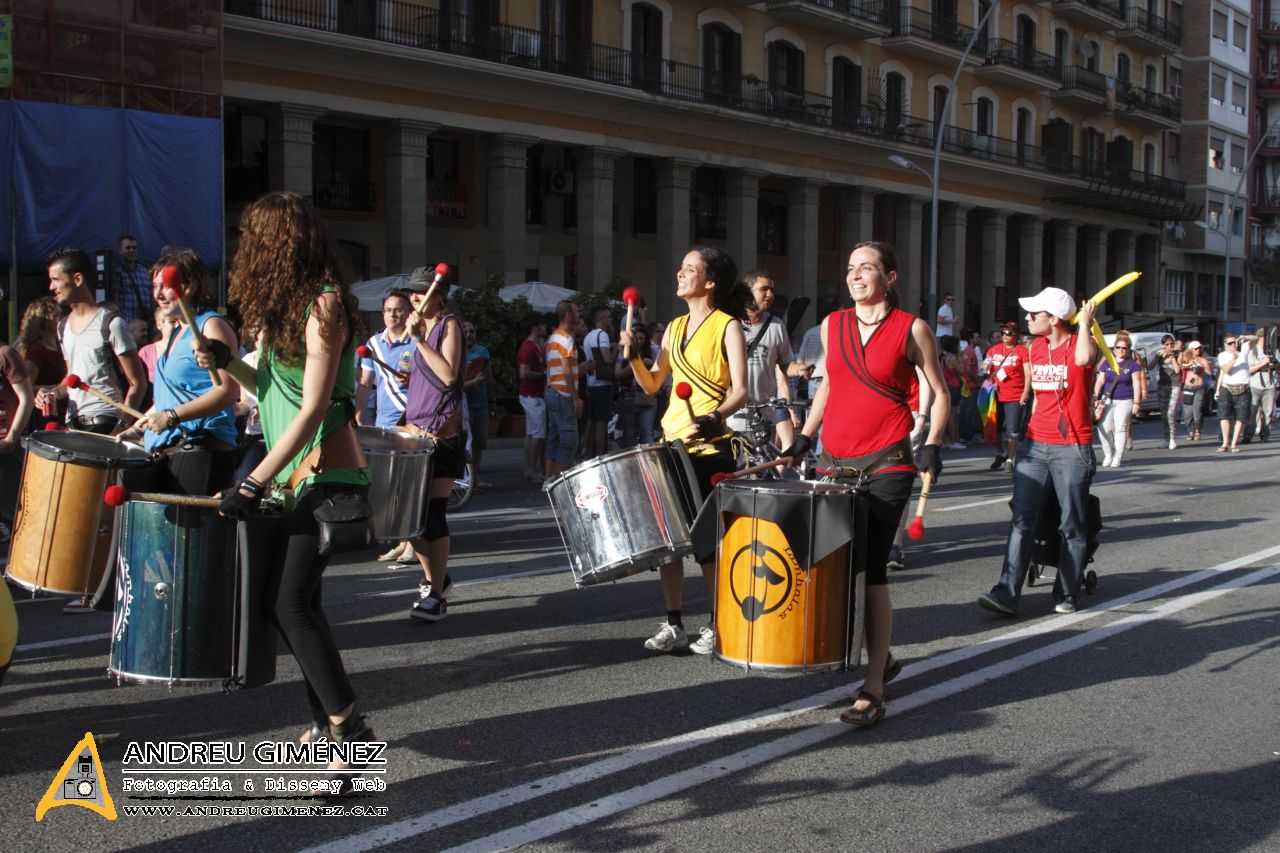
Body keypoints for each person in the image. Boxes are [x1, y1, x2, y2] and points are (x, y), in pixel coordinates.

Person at [198, 190, 375, 777]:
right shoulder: (283, 311)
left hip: (321, 466)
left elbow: (315, 406)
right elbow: (271, 390)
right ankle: (329, 722)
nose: (243, 247)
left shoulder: (325, 306)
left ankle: (348, 727)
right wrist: (225, 362)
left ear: (279, 244)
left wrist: (252, 481)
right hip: (287, 473)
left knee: (289, 602)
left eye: (252, 237)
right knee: (299, 605)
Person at [783, 241, 948, 727]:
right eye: (851, 268)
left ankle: (873, 688)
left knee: (871, 569)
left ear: (890, 277)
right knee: (835, 566)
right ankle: (885, 658)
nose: (856, 276)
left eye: (867, 268)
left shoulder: (911, 328)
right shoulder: (832, 326)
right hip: (835, 460)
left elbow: (938, 393)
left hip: (887, 463)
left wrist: (933, 442)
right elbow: (831, 384)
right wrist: (804, 436)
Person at [90, 248, 242, 616]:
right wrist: (142, 422)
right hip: (171, 447)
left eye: (164, 285)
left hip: (202, 447)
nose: (157, 293)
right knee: (162, 545)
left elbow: (229, 392)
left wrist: (172, 417)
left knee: (190, 548)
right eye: (154, 286)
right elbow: (173, 394)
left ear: (187, 285)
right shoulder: (173, 333)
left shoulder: (209, 326)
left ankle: (198, 626)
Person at [620, 246, 748, 656]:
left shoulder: (727, 326)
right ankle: (674, 624)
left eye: (689, 269)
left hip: (709, 447)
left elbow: (741, 391)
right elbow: (654, 384)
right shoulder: (673, 328)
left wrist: (712, 419)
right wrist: (634, 355)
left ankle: (717, 625)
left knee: (707, 542)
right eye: (681, 267)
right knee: (669, 542)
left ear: (709, 282)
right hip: (670, 443)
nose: (679, 273)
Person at [978, 286, 1098, 618]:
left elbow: (1086, 361)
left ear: (1056, 319)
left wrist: (1085, 323)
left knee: (1071, 523)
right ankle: (1006, 592)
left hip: (1072, 447)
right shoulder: (1035, 347)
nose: (1027, 318)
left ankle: (1067, 591)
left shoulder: (1079, 344)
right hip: (1035, 444)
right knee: (1021, 519)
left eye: (1035, 314)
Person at [400, 266, 465, 623]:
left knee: (432, 516)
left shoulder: (448, 324)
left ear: (438, 295)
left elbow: (450, 375)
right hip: (415, 431)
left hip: (442, 435)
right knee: (414, 520)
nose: (415, 297)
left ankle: (437, 594)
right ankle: (435, 579)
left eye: (421, 291)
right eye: (411, 292)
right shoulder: (420, 329)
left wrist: (420, 341)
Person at [39, 248, 147, 434]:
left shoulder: (112, 324)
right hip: (73, 422)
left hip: (105, 421)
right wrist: (53, 392)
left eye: (56, 279)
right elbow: (72, 377)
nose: (51, 287)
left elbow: (138, 383)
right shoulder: (62, 326)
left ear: (77, 279)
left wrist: (120, 427)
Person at [725, 271, 810, 451]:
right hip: (733, 415)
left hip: (765, 415)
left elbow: (786, 364)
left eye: (772, 289)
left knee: (761, 471)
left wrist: (800, 369)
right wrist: (732, 395)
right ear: (747, 292)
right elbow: (716, 368)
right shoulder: (728, 323)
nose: (770, 295)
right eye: (764, 289)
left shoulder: (776, 325)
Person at [355, 292, 414, 430]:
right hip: (384, 422)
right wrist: (357, 418)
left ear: (409, 314)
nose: (392, 314)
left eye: (398, 310)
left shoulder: (419, 342)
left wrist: (414, 379)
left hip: (412, 422)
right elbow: (365, 384)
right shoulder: (374, 343)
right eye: (388, 310)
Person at [983, 322, 1031, 471]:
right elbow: (985, 367)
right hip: (995, 394)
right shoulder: (993, 350)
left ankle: (1011, 458)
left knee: (1013, 429)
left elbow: (1028, 375)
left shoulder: (1022, 351)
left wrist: (1025, 392)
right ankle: (1001, 453)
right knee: (995, 428)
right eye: (1003, 332)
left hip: (1015, 395)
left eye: (1008, 333)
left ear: (1016, 335)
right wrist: (985, 368)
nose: (1005, 335)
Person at [1093, 332, 1145, 468]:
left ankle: (1117, 456)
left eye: (1124, 348)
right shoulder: (1107, 362)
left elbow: (1136, 384)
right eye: (1118, 347)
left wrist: (1136, 402)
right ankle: (1108, 453)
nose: (1121, 350)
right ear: (1114, 348)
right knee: (1102, 427)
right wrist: (1095, 395)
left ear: (1128, 349)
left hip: (1125, 400)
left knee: (1120, 427)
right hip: (1107, 400)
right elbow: (1100, 380)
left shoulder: (1132, 364)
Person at [0, 339, 34, 540]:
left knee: (9, 521)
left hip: (4, 451)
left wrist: (11, 439)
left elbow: (26, 398)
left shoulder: (5, 354)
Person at [16, 297, 66, 431]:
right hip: (45, 415)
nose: (61, 318)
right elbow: (26, 386)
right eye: (56, 315)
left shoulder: (61, 345)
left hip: (63, 412)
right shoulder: (37, 350)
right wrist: (58, 388)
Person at [544, 301, 582, 479]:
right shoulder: (566, 340)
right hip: (563, 393)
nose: (578, 313)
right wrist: (575, 398)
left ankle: (548, 479)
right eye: (575, 311)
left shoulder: (553, 338)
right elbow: (566, 370)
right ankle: (557, 482)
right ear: (568, 315)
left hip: (552, 391)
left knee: (555, 438)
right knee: (569, 440)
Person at [461, 319, 494, 488]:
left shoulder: (482, 351)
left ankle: (475, 477)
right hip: (464, 403)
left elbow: (489, 377)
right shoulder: (457, 351)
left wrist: (491, 400)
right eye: (465, 332)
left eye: (471, 331)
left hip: (481, 403)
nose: (468, 335)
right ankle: (465, 478)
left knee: (480, 442)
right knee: (465, 443)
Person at [517, 314, 548, 483]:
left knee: (531, 434)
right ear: (535, 328)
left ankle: (529, 469)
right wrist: (543, 374)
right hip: (532, 395)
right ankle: (531, 470)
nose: (545, 327)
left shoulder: (534, 346)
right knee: (537, 434)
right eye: (542, 325)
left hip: (532, 395)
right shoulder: (529, 348)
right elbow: (524, 373)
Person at [582, 307, 614, 460]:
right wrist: (615, 352)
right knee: (602, 423)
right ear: (601, 318)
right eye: (609, 317)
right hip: (602, 383)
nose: (611, 320)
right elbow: (607, 358)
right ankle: (600, 456)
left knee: (591, 421)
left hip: (590, 383)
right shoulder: (603, 335)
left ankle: (589, 454)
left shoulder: (588, 336)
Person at [618, 324, 658, 447]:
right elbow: (617, 374)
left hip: (647, 399)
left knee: (647, 433)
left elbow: (659, 375)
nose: (639, 341)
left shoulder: (652, 351)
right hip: (628, 398)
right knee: (629, 434)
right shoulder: (624, 351)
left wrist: (651, 365)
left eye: (642, 339)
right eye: (637, 338)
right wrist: (634, 365)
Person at [1215, 334, 1252, 453]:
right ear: (1225, 345)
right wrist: (1234, 358)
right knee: (1224, 416)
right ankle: (1225, 442)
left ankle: (1234, 443)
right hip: (1227, 388)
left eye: (1235, 342)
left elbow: (1256, 339)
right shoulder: (1222, 355)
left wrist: (1245, 337)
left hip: (1243, 387)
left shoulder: (1244, 351)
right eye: (1230, 343)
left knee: (1241, 418)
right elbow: (1226, 370)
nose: (1233, 345)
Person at [1148, 334, 1182, 450]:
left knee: (1171, 412)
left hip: (1175, 385)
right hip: (1163, 385)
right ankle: (1167, 438)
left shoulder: (1178, 354)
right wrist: (1157, 357)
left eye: (1171, 344)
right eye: (1166, 344)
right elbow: (1150, 367)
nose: (1169, 347)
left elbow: (1178, 370)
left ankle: (1172, 438)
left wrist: (1172, 358)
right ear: (1163, 345)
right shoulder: (1160, 354)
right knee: (1163, 413)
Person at [115, 234, 153, 326]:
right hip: (127, 322)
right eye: (127, 248)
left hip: (145, 322)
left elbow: (150, 295)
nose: (131, 250)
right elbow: (114, 296)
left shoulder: (144, 271)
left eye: (134, 248)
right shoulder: (117, 270)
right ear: (120, 250)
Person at [1246, 334, 1275, 442]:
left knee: (1268, 413)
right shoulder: (1252, 351)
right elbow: (1248, 370)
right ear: (1259, 338)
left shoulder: (1273, 351)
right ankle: (1248, 435)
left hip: (1270, 385)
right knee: (1252, 412)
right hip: (1255, 385)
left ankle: (1265, 435)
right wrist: (1263, 363)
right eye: (1263, 338)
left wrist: (1273, 363)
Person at [937, 335, 965, 449]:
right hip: (954, 387)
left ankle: (946, 440)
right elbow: (962, 371)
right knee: (953, 416)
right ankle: (953, 441)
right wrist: (961, 359)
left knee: (947, 415)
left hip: (946, 386)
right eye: (958, 345)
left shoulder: (943, 358)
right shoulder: (953, 358)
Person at [1180, 342, 1212, 441]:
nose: (1198, 350)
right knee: (1187, 413)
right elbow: (1180, 365)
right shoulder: (1186, 358)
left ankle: (1197, 430)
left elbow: (1210, 372)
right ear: (1191, 349)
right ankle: (1190, 431)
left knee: (1197, 411)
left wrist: (1202, 365)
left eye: (1199, 348)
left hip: (1199, 388)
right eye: (1196, 349)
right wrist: (1189, 364)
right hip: (1188, 388)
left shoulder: (1203, 360)